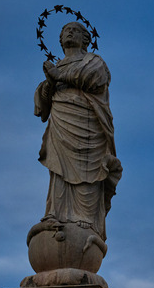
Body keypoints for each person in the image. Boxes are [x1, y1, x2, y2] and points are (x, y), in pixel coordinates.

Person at [33, 22, 122, 242]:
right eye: (64, 31)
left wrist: (59, 76)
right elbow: (43, 109)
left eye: (75, 30)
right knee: (59, 171)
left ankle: (87, 221)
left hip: (88, 125)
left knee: (88, 174)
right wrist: (49, 83)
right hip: (61, 125)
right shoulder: (56, 68)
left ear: (86, 39)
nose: (69, 33)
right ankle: (55, 215)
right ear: (60, 40)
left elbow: (94, 78)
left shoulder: (93, 61)